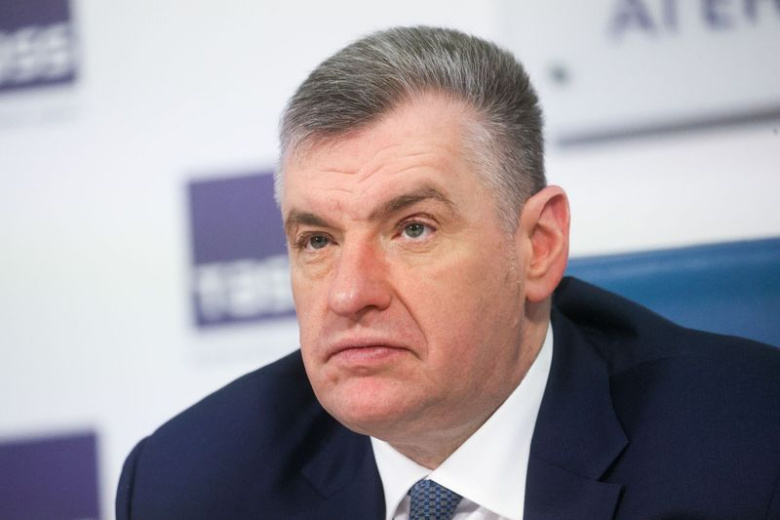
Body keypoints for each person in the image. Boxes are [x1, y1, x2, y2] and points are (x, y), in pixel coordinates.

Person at [116, 26, 780, 519]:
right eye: (317, 240)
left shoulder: (749, 448)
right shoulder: (191, 488)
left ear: (538, 246)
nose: (349, 294)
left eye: (413, 229)